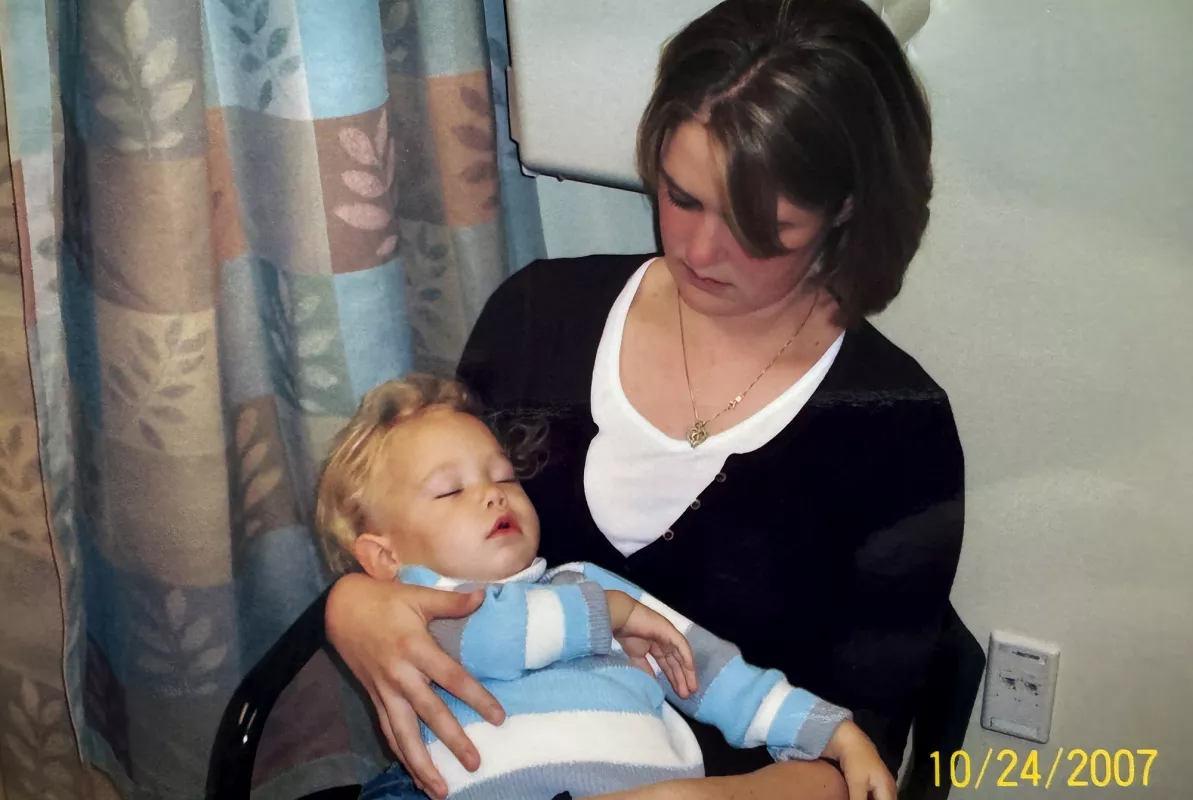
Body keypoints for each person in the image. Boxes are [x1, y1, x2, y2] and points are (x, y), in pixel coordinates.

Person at [324, 0, 965, 798]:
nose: (696, 250)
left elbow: (858, 754)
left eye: (757, 226)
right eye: (680, 196)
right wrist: (352, 605)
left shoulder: (894, 430)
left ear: (845, 211)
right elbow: (430, 526)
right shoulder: (537, 315)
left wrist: (690, 798)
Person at [315, 375, 894, 799]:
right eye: (450, 491)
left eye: (503, 476)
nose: (493, 494)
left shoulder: (587, 586)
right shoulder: (417, 616)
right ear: (384, 556)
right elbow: (500, 637)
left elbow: (711, 671)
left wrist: (836, 733)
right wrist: (609, 612)